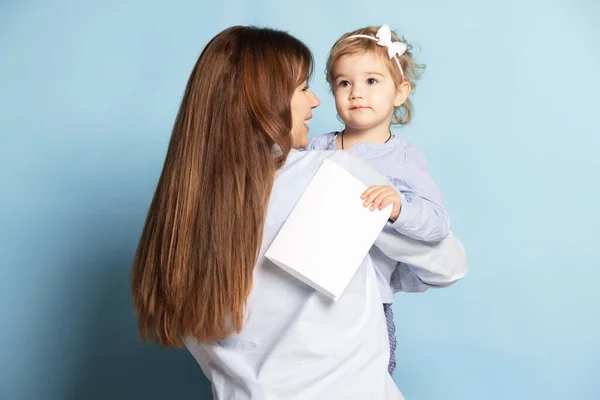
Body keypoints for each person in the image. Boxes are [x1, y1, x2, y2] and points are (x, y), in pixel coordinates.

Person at [131, 25, 467, 399]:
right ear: (264, 98)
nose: (316, 102)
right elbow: (448, 265)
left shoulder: (182, 216)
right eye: (304, 88)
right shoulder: (336, 174)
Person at [306, 24, 451, 374]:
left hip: (370, 298)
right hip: (309, 289)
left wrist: (399, 208)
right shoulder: (316, 147)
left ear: (400, 93)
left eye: (372, 81)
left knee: (369, 378)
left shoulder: (402, 158)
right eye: (344, 83)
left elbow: (437, 223)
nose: (356, 93)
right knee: (315, 375)